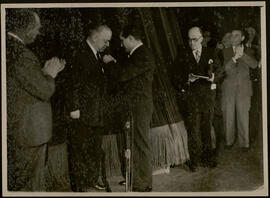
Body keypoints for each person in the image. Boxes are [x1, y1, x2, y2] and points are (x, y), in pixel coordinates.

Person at [6, 9, 65, 191]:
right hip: (28, 135)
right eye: (37, 29)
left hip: (19, 131)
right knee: (31, 186)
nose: (39, 33)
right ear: (27, 29)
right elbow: (44, 90)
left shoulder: (10, 48)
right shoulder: (22, 55)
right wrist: (50, 74)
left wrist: (41, 73)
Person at [103, 24, 155, 192]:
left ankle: (143, 184)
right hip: (134, 106)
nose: (121, 44)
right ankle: (134, 179)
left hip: (139, 107)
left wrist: (110, 63)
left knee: (140, 143)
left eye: (123, 40)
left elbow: (123, 75)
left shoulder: (142, 54)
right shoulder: (136, 54)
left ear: (131, 39)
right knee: (132, 143)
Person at [68, 24, 112, 192]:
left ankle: (91, 179)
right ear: (95, 37)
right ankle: (79, 187)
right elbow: (72, 83)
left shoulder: (95, 54)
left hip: (95, 112)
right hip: (82, 112)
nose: (107, 45)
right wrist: (74, 108)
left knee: (93, 148)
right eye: (105, 41)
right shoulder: (80, 53)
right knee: (80, 149)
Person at [172, 27, 220, 172]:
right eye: (189, 39)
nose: (191, 43)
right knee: (193, 130)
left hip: (207, 99)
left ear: (201, 39)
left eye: (194, 39)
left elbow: (220, 71)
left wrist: (214, 77)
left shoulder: (211, 53)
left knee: (206, 129)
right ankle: (194, 161)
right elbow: (174, 76)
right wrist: (186, 80)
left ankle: (208, 158)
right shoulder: (182, 55)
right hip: (191, 99)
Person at [221, 28, 258, 152]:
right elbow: (224, 70)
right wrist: (234, 58)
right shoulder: (224, 52)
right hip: (228, 88)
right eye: (231, 35)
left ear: (242, 38)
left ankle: (244, 144)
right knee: (228, 115)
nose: (233, 37)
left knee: (243, 116)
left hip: (244, 89)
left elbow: (254, 64)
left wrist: (243, 55)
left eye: (236, 35)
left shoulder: (249, 50)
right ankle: (229, 141)